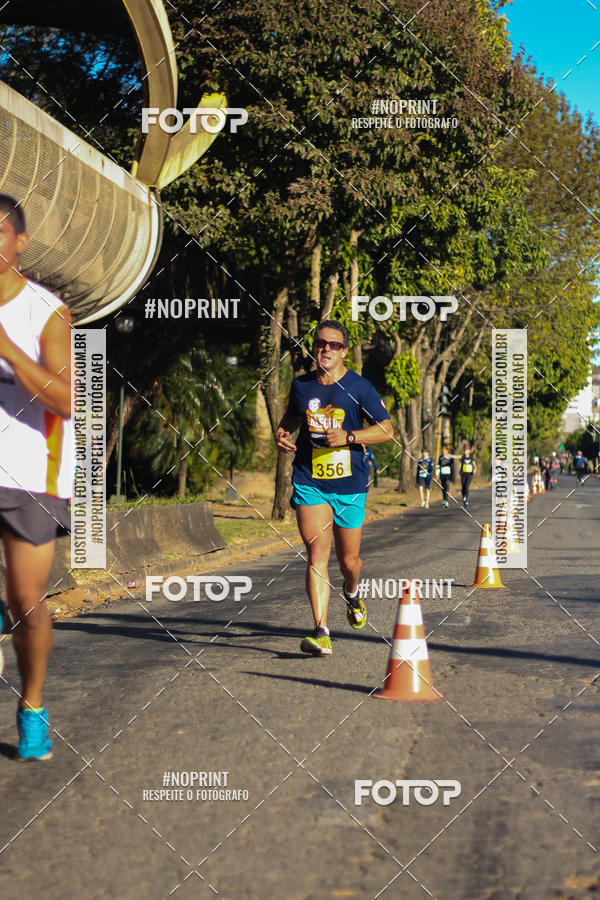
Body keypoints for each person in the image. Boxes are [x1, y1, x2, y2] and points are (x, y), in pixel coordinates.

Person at [0, 195, 72, 760]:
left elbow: (69, 399)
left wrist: (7, 352)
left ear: (20, 243)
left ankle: (32, 706)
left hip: (29, 474)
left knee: (26, 600)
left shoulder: (46, 312)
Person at [275, 320, 393, 656]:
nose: (326, 349)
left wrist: (350, 436)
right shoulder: (301, 387)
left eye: (334, 345)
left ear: (343, 351)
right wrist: (282, 433)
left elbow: (386, 429)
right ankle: (321, 631)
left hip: (350, 486)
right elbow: (292, 418)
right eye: (320, 344)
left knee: (349, 561)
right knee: (316, 553)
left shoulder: (359, 387)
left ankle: (353, 592)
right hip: (310, 481)